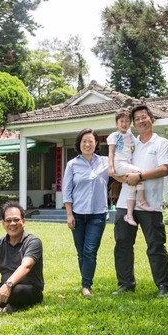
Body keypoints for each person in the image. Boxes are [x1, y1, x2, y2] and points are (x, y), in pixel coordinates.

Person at [112, 104, 168, 297]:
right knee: (122, 243)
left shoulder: (161, 143)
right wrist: (122, 178)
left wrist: (139, 177)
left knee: (155, 245)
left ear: (152, 119)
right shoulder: (130, 142)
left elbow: (165, 169)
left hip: (151, 204)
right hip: (125, 202)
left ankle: (164, 285)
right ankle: (125, 283)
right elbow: (117, 166)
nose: (140, 120)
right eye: (136, 118)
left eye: (143, 117)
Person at [62, 128, 109, 298]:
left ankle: (86, 285)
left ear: (96, 143)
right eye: (84, 141)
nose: (87, 144)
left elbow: (121, 165)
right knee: (81, 251)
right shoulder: (72, 164)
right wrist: (69, 214)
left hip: (98, 214)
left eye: (91, 141)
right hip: (78, 214)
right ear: (79, 144)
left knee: (90, 250)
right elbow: (67, 191)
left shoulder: (105, 162)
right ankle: (86, 281)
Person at [107, 109, 154, 227]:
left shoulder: (130, 135)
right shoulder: (114, 136)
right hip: (119, 163)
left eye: (127, 121)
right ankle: (142, 201)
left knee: (132, 186)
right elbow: (111, 153)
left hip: (126, 163)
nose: (124, 124)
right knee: (139, 172)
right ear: (116, 123)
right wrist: (111, 168)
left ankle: (129, 215)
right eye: (121, 121)